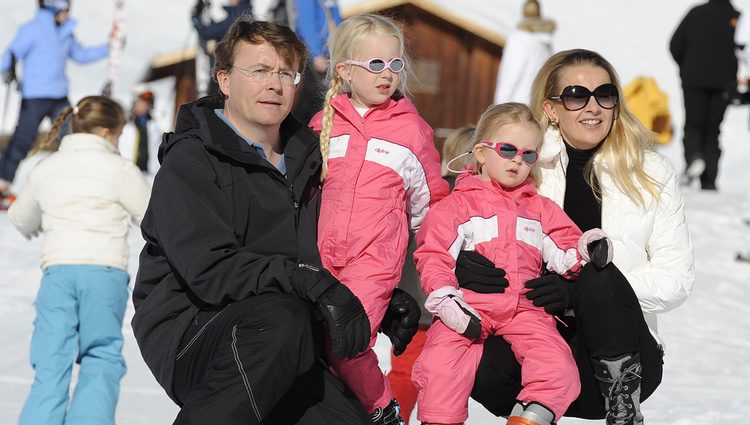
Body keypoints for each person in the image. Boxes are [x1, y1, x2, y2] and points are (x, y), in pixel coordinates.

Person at [131, 18, 420, 425]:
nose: (275, 84)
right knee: (280, 319)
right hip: (194, 330)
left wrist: (372, 299)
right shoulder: (192, 160)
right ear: (225, 80)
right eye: (260, 71)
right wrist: (310, 283)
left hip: (292, 336)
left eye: (286, 73)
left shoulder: (309, 155)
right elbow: (210, 269)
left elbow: (328, 245)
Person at [464, 49, 694, 425]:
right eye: (576, 95)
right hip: (533, 341)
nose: (593, 107)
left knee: (597, 268)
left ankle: (623, 407)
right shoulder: (522, 165)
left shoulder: (651, 172)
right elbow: (461, 223)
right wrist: (464, 264)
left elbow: (676, 279)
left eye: (605, 94)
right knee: (473, 354)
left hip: (621, 357)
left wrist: (581, 292)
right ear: (551, 109)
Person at [411, 103, 613, 425]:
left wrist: (586, 249)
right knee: (440, 365)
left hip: (526, 309)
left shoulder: (540, 209)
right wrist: (447, 298)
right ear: (481, 152)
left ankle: (529, 419)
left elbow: (564, 249)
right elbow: (434, 255)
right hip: (470, 306)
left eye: (528, 155)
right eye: (507, 150)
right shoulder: (456, 206)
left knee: (558, 366)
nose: (518, 160)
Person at [309, 13, 450, 424]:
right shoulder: (323, 125)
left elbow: (431, 204)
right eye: (375, 64)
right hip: (321, 258)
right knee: (314, 346)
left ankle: (383, 409)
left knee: (348, 340)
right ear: (345, 71)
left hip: (374, 262)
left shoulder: (412, 132)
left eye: (395, 64)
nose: (387, 74)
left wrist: (437, 262)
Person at [7, 95, 149, 425]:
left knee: (51, 361)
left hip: (58, 272)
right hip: (105, 272)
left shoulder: (48, 167)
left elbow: (19, 217)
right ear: (104, 132)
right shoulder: (120, 169)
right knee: (100, 356)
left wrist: (48, 219)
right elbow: (150, 216)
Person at [387, 125, 477, 424]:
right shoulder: (470, 199)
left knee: (405, 370)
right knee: (442, 378)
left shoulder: (428, 192)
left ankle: (391, 416)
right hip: (449, 302)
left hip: (416, 297)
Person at [0, 0, 109, 191]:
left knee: (72, 136)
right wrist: (7, 68)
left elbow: (80, 55)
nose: (68, 13)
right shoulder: (32, 29)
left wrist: (110, 48)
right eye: (65, 9)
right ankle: (3, 183)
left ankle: (77, 183)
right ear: (53, 8)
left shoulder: (65, 32)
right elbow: (11, 53)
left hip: (59, 95)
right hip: (35, 95)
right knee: (23, 139)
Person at [669, 0, 740, 190]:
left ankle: (694, 157)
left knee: (693, 125)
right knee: (713, 130)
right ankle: (709, 180)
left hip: (694, 81)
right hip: (723, 84)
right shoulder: (736, 17)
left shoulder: (696, 13)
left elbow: (675, 44)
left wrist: (687, 68)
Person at [493, 0, 555, 105]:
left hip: (516, 103)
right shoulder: (546, 43)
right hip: (537, 101)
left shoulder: (520, 38)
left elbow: (512, 72)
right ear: (539, 13)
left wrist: (499, 104)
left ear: (523, 13)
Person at [290, 0, 342, 124]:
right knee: (315, 101)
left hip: (329, 52)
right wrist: (316, 53)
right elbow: (306, 22)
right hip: (313, 56)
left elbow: (337, 21)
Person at [191, 0, 252, 95]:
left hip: (228, 75)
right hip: (232, 74)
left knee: (216, 106)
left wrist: (195, 15)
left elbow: (207, 32)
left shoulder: (238, 15)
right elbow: (219, 29)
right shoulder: (242, 13)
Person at [118, 89, 163, 174]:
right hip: (127, 172)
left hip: (149, 173)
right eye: (142, 102)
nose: (145, 106)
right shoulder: (124, 124)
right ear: (134, 103)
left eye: (148, 103)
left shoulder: (154, 126)